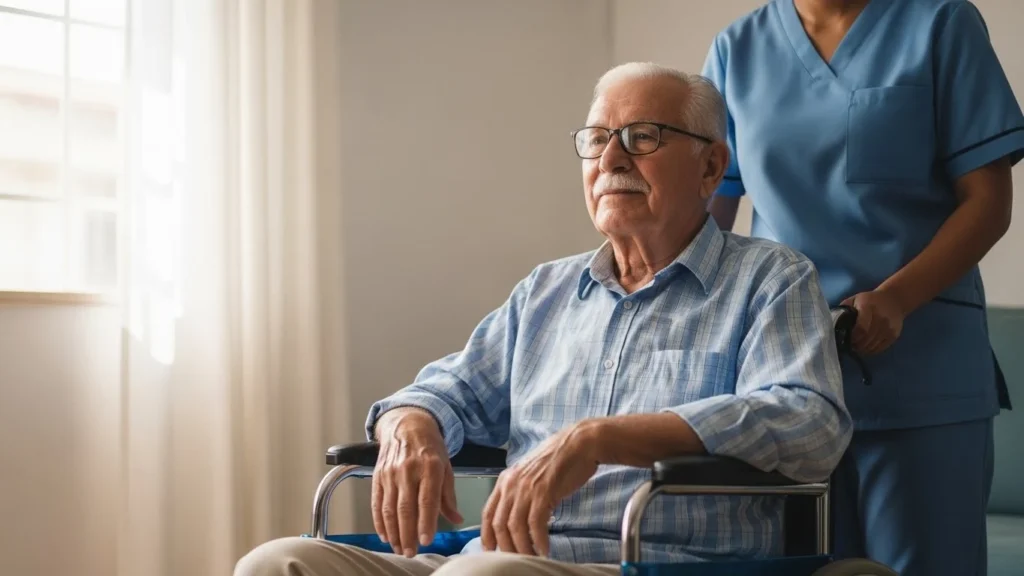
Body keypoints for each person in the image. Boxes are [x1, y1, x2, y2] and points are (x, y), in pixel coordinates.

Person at [234, 62, 854, 576]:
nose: (611, 157)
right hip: (497, 556)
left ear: (711, 168)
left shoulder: (771, 278)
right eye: (596, 139)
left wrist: (599, 438)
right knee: (278, 563)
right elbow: (447, 390)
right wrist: (409, 424)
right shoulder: (547, 291)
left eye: (643, 136)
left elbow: (808, 421)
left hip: (652, 559)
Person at [701, 1, 1023, 575]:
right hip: (782, 376)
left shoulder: (940, 23)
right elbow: (704, 221)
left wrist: (897, 298)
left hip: (920, 371)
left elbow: (989, 203)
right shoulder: (738, 48)